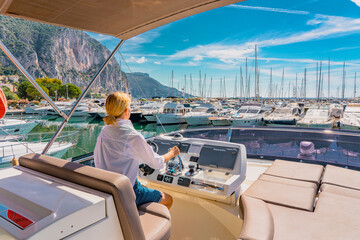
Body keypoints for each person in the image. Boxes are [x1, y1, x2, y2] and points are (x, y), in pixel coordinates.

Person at [94, 92, 179, 209]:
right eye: (129, 106)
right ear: (125, 111)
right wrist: (171, 154)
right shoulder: (132, 136)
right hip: (127, 191)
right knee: (168, 199)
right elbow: (156, 163)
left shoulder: (104, 131)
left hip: (106, 187)